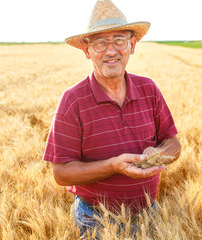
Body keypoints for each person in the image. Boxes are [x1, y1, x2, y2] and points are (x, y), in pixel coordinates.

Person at [43, 0, 181, 238]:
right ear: (86, 51)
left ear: (132, 45)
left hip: (149, 211)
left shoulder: (149, 89)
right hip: (97, 219)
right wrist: (112, 166)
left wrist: (158, 154)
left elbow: (173, 143)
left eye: (119, 40)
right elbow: (61, 173)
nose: (111, 50)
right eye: (100, 43)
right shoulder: (72, 100)